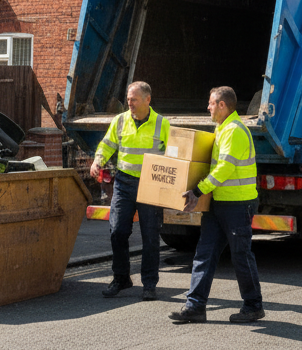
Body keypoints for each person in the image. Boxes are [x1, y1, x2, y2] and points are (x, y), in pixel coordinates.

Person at [169, 86, 264, 324]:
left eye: (211, 103)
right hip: (220, 203)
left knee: (241, 255)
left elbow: (225, 169)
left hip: (238, 204)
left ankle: (253, 306)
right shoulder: (222, 128)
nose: (208, 107)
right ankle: (195, 307)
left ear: (222, 105)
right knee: (204, 253)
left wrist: (199, 190)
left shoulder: (234, 130)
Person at [90, 81, 170, 300]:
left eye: (134, 99)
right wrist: (98, 160)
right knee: (117, 231)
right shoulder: (120, 120)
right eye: (128, 99)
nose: (130, 103)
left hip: (151, 184)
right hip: (124, 183)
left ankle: (149, 284)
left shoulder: (162, 124)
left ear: (147, 99)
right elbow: (107, 144)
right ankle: (121, 278)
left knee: (151, 236)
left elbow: (173, 155)